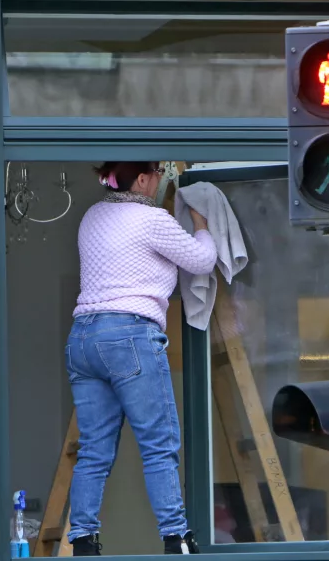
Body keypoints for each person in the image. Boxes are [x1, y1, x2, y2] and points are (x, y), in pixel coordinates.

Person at [65, 161, 216, 556]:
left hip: (82, 337)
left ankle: (81, 540)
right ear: (145, 178)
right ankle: (176, 537)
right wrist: (201, 223)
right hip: (129, 333)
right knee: (158, 442)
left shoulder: (92, 216)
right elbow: (201, 261)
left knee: (94, 449)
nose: (160, 180)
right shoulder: (152, 219)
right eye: (157, 174)